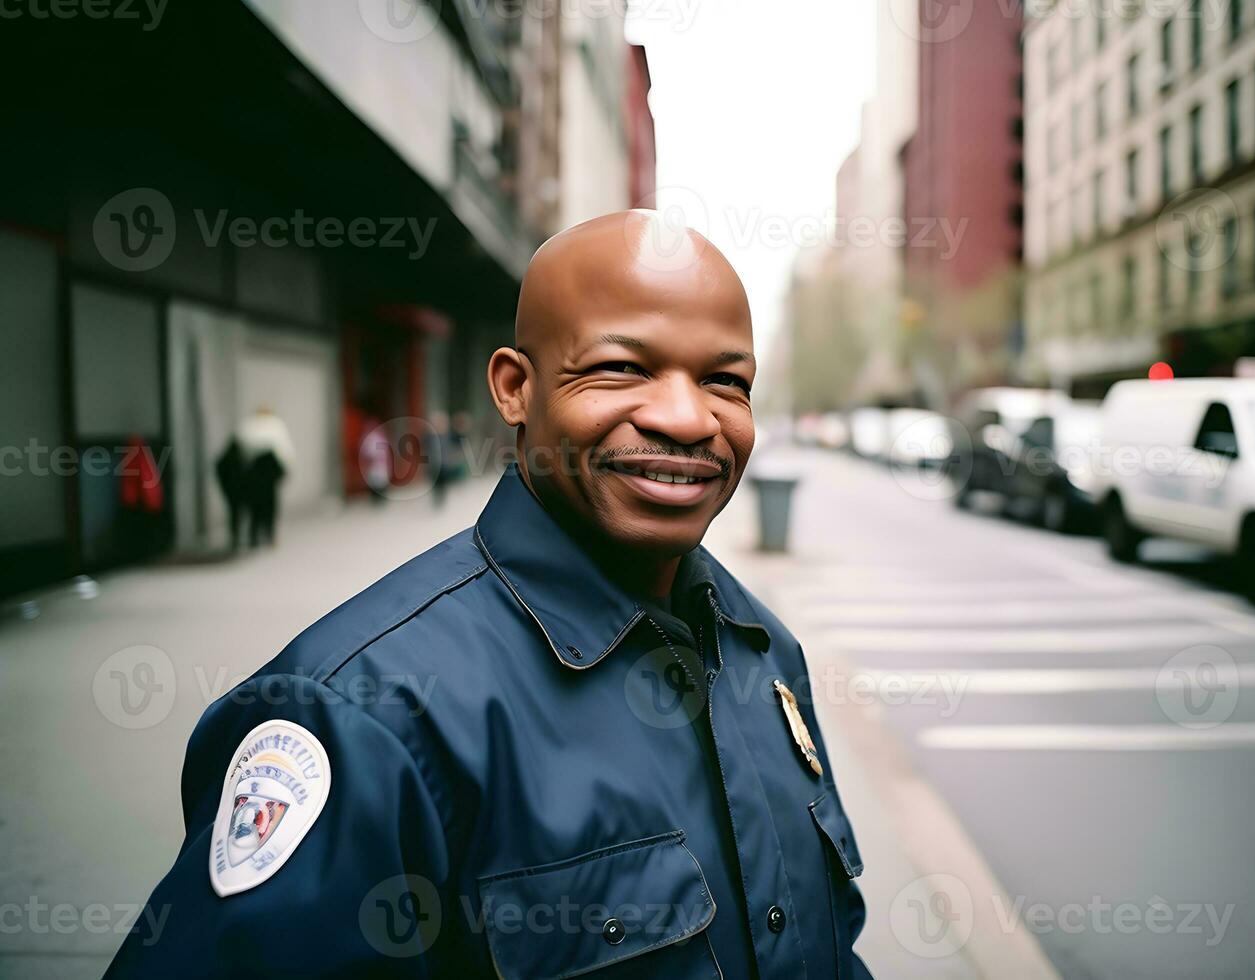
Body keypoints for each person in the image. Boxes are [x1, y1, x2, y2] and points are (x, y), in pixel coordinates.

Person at [106, 211, 872, 978]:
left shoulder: (762, 650)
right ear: (515, 388)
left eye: (724, 382)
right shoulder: (360, 715)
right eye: (622, 369)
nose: (685, 417)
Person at [235, 406, 295, 547]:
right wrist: (286, 469)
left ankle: (255, 536)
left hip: (254, 474)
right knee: (269, 506)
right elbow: (284, 449)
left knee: (256, 506)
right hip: (269, 473)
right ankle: (269, 535)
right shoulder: (275, 426)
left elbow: (241, 448)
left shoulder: (248, 425)